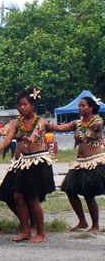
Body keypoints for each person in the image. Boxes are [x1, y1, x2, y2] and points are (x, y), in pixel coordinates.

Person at [0, 88, 55, 243]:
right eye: (19, 105)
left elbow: (36, 133)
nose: (21, 107)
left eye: (25, 104)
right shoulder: (16, 122)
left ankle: (40, 233)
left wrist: (31, 139)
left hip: (37, 162)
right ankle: (26, 230)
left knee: (33, 199)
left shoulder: (39, 121)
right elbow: (8, 137)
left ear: (33, 105)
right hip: (23, 162)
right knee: (17, 196)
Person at [47, 96, 104, 232]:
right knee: (69, 190)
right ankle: (82, 221)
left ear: (91, 108)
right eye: (79, 106)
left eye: (83, 105)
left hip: (94, 162)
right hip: (80, 163)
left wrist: (95, 126)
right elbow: (61, 128)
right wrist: (46, 124)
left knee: (89, 194)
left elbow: (99, 125)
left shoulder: (97, 120)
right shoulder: (76, 123)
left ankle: (95, 225)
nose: (80, 108)